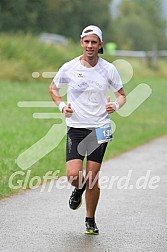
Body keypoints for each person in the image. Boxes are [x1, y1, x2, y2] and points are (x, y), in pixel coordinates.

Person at [49, 25, 126, 235]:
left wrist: (116, 106)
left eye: (94, 42)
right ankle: (78, 189)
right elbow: (53, 89)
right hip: (76, 127)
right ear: (81, 43)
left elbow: (122, 94)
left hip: (100, 127)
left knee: (92, 176)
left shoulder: (108, 69)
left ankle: (90, 219)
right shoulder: (70, 67)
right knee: (74, 175)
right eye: (87, 42)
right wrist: (62, 106)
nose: (90, 46)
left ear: (100, 44)